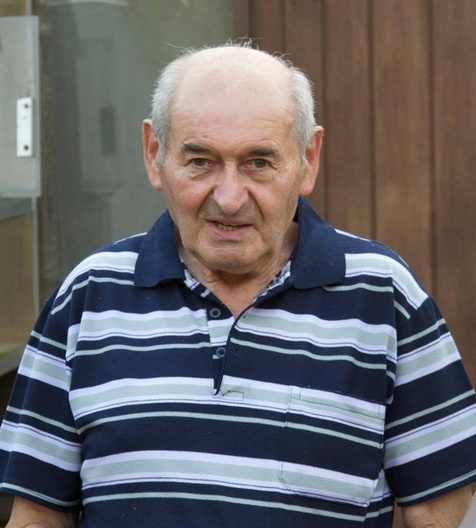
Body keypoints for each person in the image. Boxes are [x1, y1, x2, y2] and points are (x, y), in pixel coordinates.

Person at [0, 41, 476, 528]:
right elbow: (37, 516)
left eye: (259, 162)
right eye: (200, 161)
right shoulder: (86, 297)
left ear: (308, 159)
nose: (229, 199)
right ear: (154, 154)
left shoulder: (385, 296)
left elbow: (441, 513)